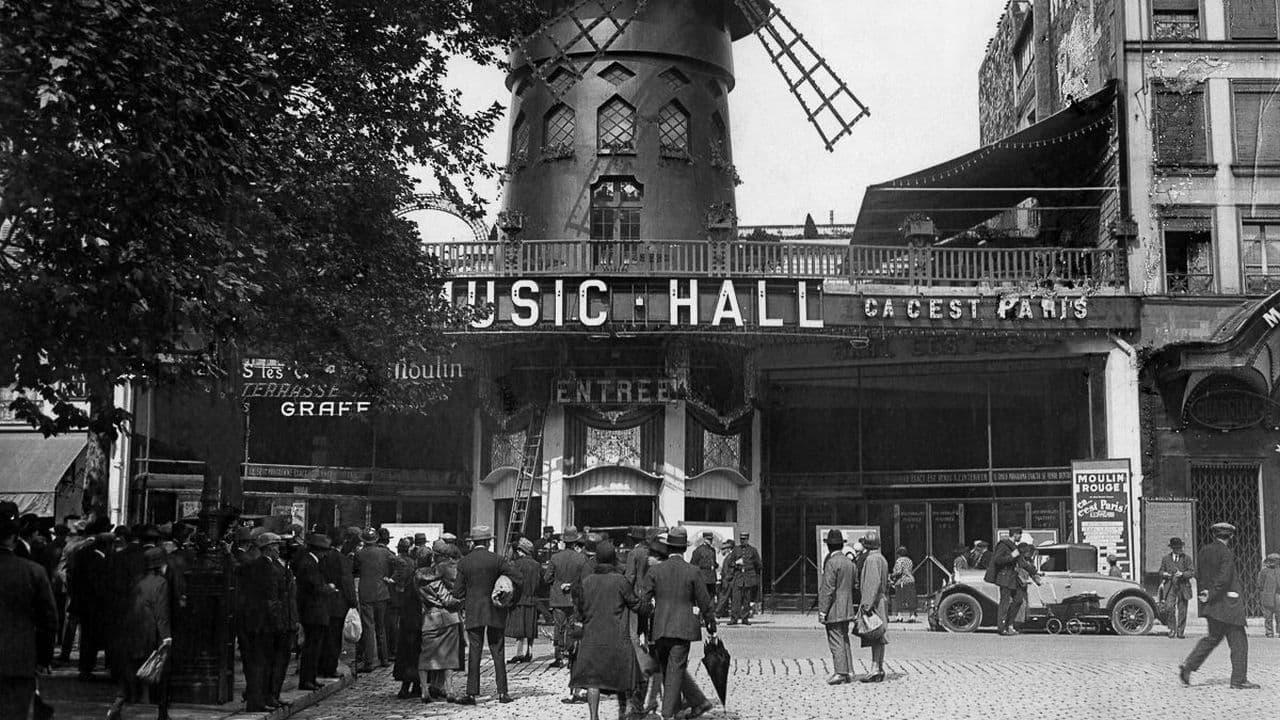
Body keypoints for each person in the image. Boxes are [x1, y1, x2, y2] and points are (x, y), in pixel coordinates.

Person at [637, 527, 716, 720]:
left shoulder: (655, 571)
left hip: (660, 627)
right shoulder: (693, 571)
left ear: (668, 547)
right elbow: (705, 602)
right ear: (684, 549)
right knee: (675, 669)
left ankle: (679, 709)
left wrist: (642, 630)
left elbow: (643, 603)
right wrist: (711, 626)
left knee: (668, 669)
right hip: (683, 628)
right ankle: (668, 714)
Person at [1180, 522, 1260, 690]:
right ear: (1231, 536)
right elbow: (1224, 578)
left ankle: (1188, 666)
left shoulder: (1204, 551)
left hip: (1211, 605)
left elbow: (1199, 575)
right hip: (1228, 605)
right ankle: (1238, 680)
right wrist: (1212, 593)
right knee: (1239, 643)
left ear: (1214, 535)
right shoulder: (1226, 552)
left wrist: (1205, 594)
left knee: (1212, 638)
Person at [572, 541, 643, 720]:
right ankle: (625, 713)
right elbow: (635, 604)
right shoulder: (620, 581)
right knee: (624, 678)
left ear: (597, 559)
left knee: (592, 681)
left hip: (592, 637)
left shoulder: (587, 582)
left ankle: (593, 716)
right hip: (616, 637)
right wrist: (649, 606)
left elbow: (579, 611)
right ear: (613, 559)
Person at [452, 525, 522, 705]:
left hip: (474, 611)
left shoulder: (464, 563)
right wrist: (510, 600)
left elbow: (457, 592)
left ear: (472, 542)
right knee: (498, 650)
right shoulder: (497, 560)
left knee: (474, 651)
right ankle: (503, 693)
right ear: (488, 542)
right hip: (495, 610)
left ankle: (471, 693)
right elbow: (518, 578)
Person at [0, 510, 58, 720]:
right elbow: (49, 619)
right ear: (14, 537)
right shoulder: (33, 571)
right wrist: (43, 658)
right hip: (19, 660)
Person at [107, 547, 172, 720]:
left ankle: (117, 705)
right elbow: (161, 612)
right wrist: (166, 636)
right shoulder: (161, 582)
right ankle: (162, 711)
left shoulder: (137, 580)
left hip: (133, 631)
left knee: (130, 670)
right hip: (150, 632)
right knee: (161, 671)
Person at [240, 533, 297, 711]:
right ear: (269, 548)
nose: (278, 550)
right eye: (276, 546)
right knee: (262, 663)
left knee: (267, 663)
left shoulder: (270, 565)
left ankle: (267, 697)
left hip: (264, 622)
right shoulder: (265, 567)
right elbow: (271, 599)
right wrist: (278, 623)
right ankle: (259, 700)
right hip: (265, 624)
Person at [416, 540, 465, 704]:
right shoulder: (438, 579)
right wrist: (461, 601)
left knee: (425, 657)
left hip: (429, 618)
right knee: (448, 656)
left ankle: (424, 690)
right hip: (448, 618)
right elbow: (447, 600)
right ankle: (449, 690)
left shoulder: (418, 578)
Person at [293, 533, 333, 691]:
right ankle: (307, 679)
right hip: (313, 611)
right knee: (312, 647)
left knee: (314, 647)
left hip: (314, 611)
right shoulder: (309, 564)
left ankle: (311, 677)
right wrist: (328, 588)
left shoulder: (311, 562)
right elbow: (314, 587)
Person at [817, 529, 856, 685]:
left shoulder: (831, 563)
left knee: (835, 639)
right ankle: (849, 670)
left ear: (829, 546)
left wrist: (822, 611)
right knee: (844, 638)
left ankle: (840, 672)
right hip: (847, 606)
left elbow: (827, 589)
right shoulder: (849, 563)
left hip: (834, 607)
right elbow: (854, 584)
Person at [354, 527, 395, 672]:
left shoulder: (359, 554)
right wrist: (392, 578)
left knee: (368, 628)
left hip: (366, 592)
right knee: (381, 627)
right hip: (382, 591)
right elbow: (400, 563)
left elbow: (355, 570)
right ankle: (384, 659)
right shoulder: (385, 553)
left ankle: (369, 662)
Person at [546, 527, 587, 669]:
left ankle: (558, 656)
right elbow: (584, 579)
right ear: (575, 542)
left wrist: (558, 584)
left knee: (559, 627)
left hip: (558, 598)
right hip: (574, 598)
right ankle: (571, 656)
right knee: (572, 627)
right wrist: (572, 584)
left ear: (564, 542)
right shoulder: (581, 558)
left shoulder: (555, 558)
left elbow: (547, 578)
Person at [318, 529, 357, 678]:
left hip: (322, 601)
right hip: (338, 603)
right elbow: (347, 582)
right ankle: (330, 667)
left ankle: (320, 666)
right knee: (334, 637)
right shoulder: (342, 559)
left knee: (322, 636)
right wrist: (353, 602)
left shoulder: (323, 557)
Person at [393, 551, 430, 700]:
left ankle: (410, 686)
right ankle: (412, 686)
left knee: (409, 654)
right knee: (416, 654)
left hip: (409, 621)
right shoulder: (425, 578)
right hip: (419, 621)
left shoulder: (413, 577)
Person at [857, 533, 889, 683]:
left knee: (874, 633)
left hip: (874, 601)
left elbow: (872, 582)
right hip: (881, 599)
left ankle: (875, 668)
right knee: (879, 635)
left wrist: (866, 604)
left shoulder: (871, 559)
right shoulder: (881, 558)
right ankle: (879, 667)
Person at [507, 538, 543, 663]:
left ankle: (519, 652)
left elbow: (514, 582)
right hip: (532, 599)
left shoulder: (517, 564)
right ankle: (530, 651)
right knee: (530, 627)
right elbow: (539, 583)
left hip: (519, 599)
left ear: (522, 551)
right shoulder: (537, 565)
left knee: (520, 627)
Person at [985, 528, 1024, 636]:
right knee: (1004, 603)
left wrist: (1034, 573)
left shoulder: (1014, 546)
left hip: (1013, 578)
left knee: (1018, 599)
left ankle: (1009, 624)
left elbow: (1021, 562)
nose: (1020, 537)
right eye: (1020, 534)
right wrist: (1011, 556)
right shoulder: (1004, 545)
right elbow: (997, 560)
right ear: (1015, 534)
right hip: (1005, 577)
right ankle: (1002, 628)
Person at [1159, 537, 1194, 639]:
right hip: (1170, 587)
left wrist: (1182, 574)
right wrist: (1164, 574)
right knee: (1169, 607)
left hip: (1183, 586)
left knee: (1182, 609)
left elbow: (1191, 572)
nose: (1179, 549)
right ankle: (1172, 629)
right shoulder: (1166, 558)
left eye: (1180, 547)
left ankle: (1180, 631)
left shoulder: (1187, 558)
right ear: (1172, 548)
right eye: (1176, 548)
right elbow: (1160, 571)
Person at [729, 531, 762, 626]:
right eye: (741, 539)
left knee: (747, 600)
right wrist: (736, 563)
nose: (742, 541)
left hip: (748, 577)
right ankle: (734, 618)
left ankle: (745, 618)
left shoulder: (752, 550)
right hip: (738, 576)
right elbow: (730, 563)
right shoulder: (736, 550)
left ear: (747, 539)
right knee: (736, 599)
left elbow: (758, 564)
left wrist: (753, 575)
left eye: (744, 539)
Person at [690, 532, 719, 610]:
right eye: (708, 539)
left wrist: (716, 565)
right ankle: (703, 614)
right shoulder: (698, 550)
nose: (710, 541)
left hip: (712, 578)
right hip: (703, 578)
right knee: (703, 598)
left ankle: (710, 614)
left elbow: (714, 562)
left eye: (711, 539)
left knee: (711, 597)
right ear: (704, 539)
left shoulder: (712, 550)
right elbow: (693, 564)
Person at [890, 546, 917, 622]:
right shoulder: (909, 560)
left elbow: (899, 571)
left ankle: (899, 616)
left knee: (900, 598)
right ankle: (912, 615)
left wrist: (892, 575)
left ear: (898, 554)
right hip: (910, 580)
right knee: (911, 598)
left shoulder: (899, 560)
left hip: (901, 581)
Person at [1260, 553, 1280, 638]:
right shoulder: (1264, 571)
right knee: (1268, 615)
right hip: (1268, 595)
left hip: (1277, 595)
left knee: (1278, 614)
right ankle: (1269, 632)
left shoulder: (1278, 570)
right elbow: (1260, 584)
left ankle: (1276, 631)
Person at [716, 538, 737, 618]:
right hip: (727, 580)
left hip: (728, 580)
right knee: (725, 597)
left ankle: (718, 612)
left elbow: (731, 569)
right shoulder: (729, 556)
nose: (723, 550)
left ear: (728, 548)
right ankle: (719, 612)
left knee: (724, 597)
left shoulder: (731, 556)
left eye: (724, 548)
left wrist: (726, 578)